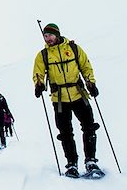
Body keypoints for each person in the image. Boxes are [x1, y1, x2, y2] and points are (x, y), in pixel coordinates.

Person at [33, 22, 102, 178]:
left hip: (79, 95)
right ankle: (71, 164)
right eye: (45, 36)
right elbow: (38, 72)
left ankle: (90, 161)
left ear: (57, 34)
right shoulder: (43, 55)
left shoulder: (74, 49)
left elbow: (85, 66)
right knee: (65, 133)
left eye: (50, 35)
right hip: (59, 99)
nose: (47, 38)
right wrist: (39, 84)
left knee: (89, 127)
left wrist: (90, 83)